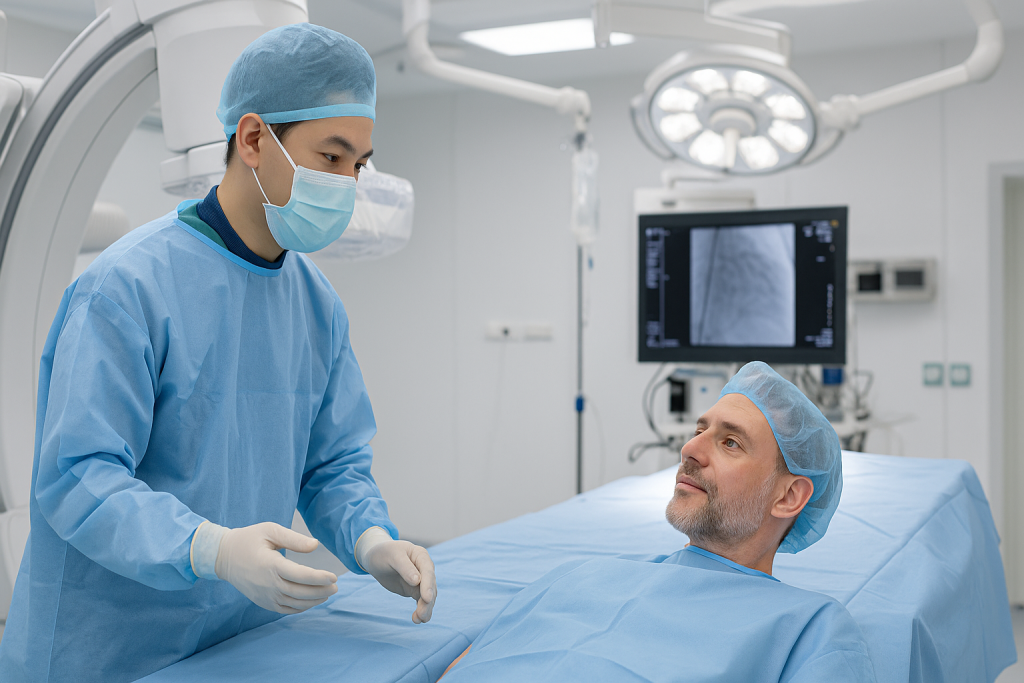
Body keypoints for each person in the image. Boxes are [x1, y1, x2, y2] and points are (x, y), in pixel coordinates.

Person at [0, 24, 435, 683]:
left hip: (240, 642)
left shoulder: (316, 305)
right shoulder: (127, 288)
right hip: (107, 651)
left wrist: (373, 541)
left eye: (360, 163)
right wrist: (211, 548)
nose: (348, 182)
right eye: (331, 156)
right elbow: (78, 477)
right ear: (255, 139)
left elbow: (333, 465)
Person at [441, 362, 876, 682]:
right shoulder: (582, 574)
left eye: (729, 442)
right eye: (698, 430)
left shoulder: (812, 630)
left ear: (788, 496)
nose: (692, 450)